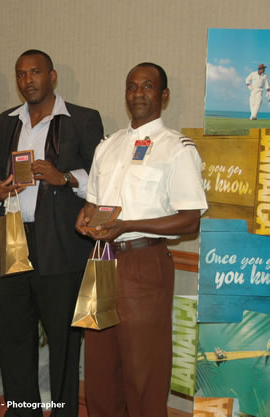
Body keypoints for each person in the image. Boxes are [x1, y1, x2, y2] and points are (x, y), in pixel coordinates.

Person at [75, 62, 208, 417]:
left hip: (143, 264)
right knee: (101, 370)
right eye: (132, 86)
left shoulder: (176, 148)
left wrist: (128, 224)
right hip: (101, 261)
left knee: (143, 371)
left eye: (147, 86)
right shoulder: (108, 145)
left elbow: (190, 219)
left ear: (163, 95)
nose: (138, 93)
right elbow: (94, 204)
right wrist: (85, 217)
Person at [0, 50, 103, 417]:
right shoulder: (7, 121)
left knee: (63, 341)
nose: (27, 80)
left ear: (52, 76)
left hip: (61, 244)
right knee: (14, 337)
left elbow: (99, 181)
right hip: (13, 238)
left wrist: (64, 177)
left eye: (35, 72)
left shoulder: (82, 119)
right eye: (21, 74)